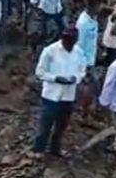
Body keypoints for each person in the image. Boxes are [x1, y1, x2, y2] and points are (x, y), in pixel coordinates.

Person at [32, 27, 87, 157]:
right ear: (63, 38)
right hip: (51, 94)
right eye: (67, 40)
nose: (70, 43)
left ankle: (54, 149)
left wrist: (76, 78)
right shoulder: (50, 51)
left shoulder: (79, 52)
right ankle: (38, 150)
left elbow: (82, 70)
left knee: (61, 126)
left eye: (73, 41)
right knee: (45, 124)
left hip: (68, 95)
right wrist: (56, 78)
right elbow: (40, 72)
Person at [76, 0, 102, 118]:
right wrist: (83, 64)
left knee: (92, 86)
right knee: (91, 86)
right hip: (85, 61)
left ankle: (85, 109)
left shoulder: (93, 19)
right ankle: (84, 112)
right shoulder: (83, 23)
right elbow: (79, 45)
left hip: (91, 58)